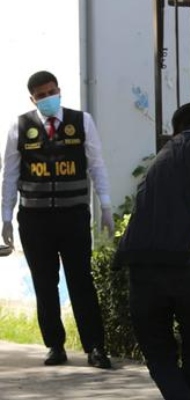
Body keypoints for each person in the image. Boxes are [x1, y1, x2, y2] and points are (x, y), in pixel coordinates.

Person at [114, 102, 190, 400]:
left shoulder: (163, 156)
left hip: (142, 263)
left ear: (175, 131)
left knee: (158, 353)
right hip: (188, 264)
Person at [1, 70, 113, 368]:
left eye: (52, 92)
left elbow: (97, 165)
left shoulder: (81, 122)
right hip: (34, 220)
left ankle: (95, 347)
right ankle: (55, 345)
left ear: (59, 90)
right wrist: (6, 217)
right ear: (32, 99)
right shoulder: (20, 127)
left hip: (73, 216)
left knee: (81, 281)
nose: (48, 98)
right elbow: (10, 174)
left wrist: (106, 205)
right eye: (41, 95)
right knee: (44, 283)